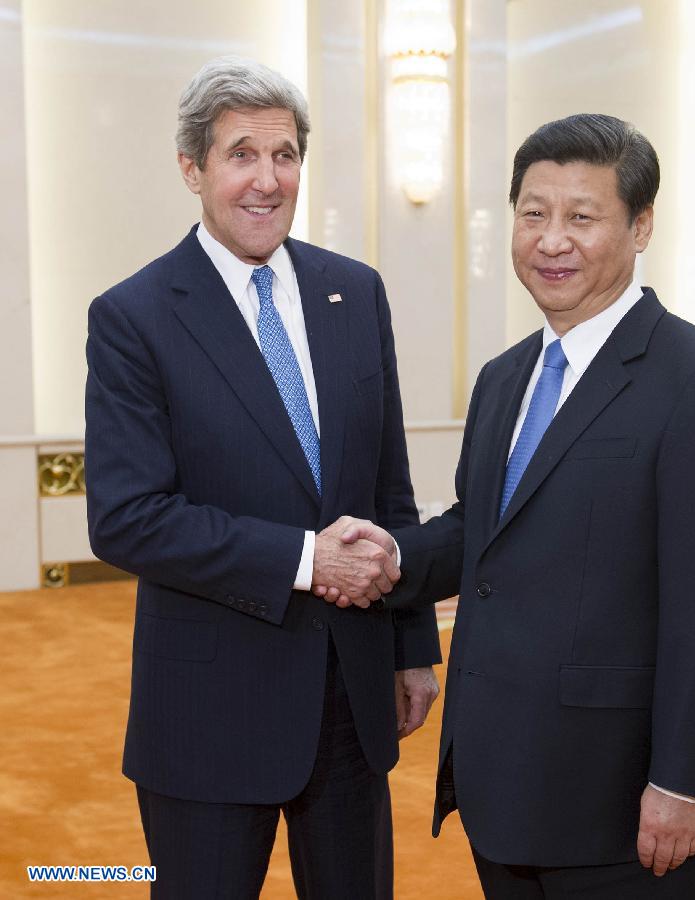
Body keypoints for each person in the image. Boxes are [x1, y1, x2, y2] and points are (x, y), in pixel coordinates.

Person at [325, 114, 695, 898]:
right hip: (502, 784)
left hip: (623, 805)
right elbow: (484, 532)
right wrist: (394, 557)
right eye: (532, 213)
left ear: (640, 226)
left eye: (581, 216)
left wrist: (683, 781)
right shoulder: (506, 378)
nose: (550, 240)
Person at [84, 56, 440, 900]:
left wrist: (412, 648)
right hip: (208, 714)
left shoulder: (355, 293)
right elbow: (129, 518)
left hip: (351, 703)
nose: (266, 180)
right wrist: (307, 559)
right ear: (192, 169)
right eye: (241, 154)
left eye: (284, 156)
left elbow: (389, 487)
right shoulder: (134, 317)